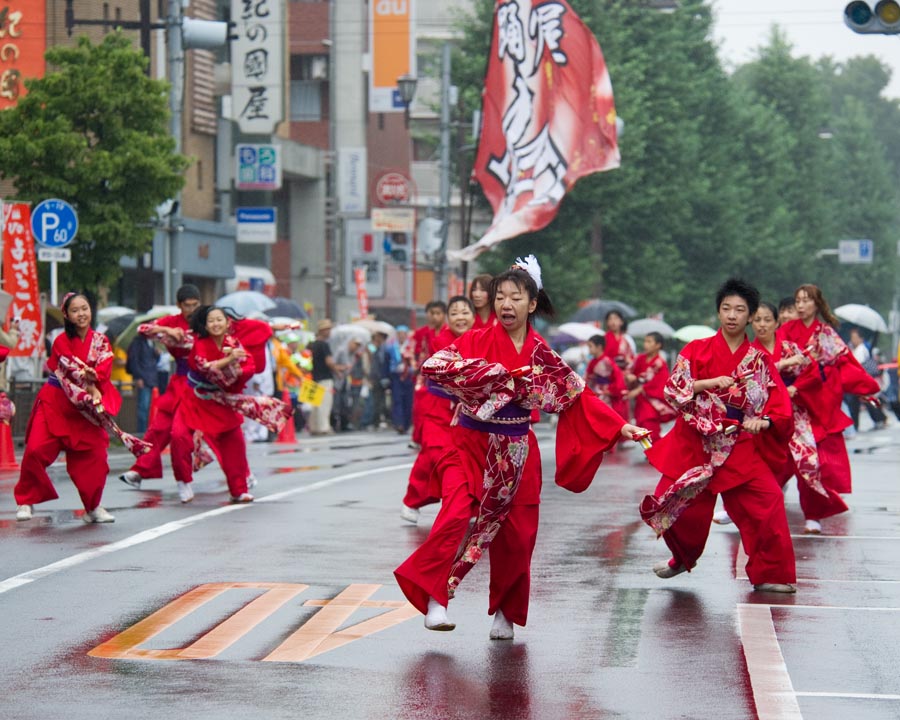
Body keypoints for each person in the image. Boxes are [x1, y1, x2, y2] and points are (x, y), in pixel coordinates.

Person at [395, 256, 644, 639]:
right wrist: (491, 375)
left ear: (532, 303)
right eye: (500, 297)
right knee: (455, 516)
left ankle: (506, 613)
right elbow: (435, 365)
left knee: (518, 536)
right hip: (469, 443)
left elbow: (576, 394)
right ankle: (435, 598)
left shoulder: (542, 353)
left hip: (516, 450)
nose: (505, 304)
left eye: (515, 297)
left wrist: (621, 425)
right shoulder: (476, 340)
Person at [639, 278, 797, 593]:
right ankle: (681, 558)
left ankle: (771, 573)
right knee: (680, 508)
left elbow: (777, 404)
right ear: (718, 312)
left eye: (740, 310)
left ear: (750, 316)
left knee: (768, 503)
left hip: (738, 444)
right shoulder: (696, 350)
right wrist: (706, 383)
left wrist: (763, 422)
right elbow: (673, 389)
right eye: (726, 308)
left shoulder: (760, 361)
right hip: (695, 443)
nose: (732, 315)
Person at [15, 292, 151, 523]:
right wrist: (89, 383)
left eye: (84, 308)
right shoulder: (60, 341)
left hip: (85, 411)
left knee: (96, 458)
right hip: (56, 402)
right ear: (66, 315)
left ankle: (93, 507)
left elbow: (104, 368)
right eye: (75, 310)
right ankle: (26, 500)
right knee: (36, 450)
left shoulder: (101, 341)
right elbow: (69, 369)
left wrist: (94, 383)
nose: (81, 314)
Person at [778, 284, 880, 534]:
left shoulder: (825, 334)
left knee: (812, 464)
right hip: (786, 401)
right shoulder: (784, 330)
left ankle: (813, 515)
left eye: (806, 301)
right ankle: (742, 505)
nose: (801, 306)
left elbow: (846, 364)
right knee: (777, 460)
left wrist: (864, 388)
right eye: (797, 301)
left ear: (816, 304)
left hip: (814, 402)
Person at [169, 306, 292, 503]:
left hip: (222, 401)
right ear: (205, 325)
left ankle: (238, 489)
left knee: (234, 443)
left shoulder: (235, 344)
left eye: (220, 320)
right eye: (211, 321)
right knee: (179, 437)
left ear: (228, 323)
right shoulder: (200, 343)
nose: (216, 324)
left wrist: (237, 366)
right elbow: (204, 366)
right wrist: (230, 360)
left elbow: (249, 366)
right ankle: (183, 480)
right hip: (195, 399)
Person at [400, 295, 476, 524]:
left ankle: (466, 505)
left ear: (473, 316)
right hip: (439, 406)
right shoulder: (440, 340)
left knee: (466, 461)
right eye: (454, 313)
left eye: (465, 312)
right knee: (432, 455)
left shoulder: (482, 338)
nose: (460, 317)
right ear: (447, 318)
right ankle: (411, 501)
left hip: (468, 411)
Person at [118, 284, 201, 489]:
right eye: (187, 306)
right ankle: (140, 470)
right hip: (181, 381)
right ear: (179, 305)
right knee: (159, 428)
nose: (191, 310)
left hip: (206, 383)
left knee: (221, 434)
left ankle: (242, 476)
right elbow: (143, 329)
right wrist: (167, 329)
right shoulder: (172, 321)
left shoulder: (208, 319)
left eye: (195, 305)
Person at [409, 301, 448, 449]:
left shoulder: (448, 332)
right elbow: (412, 352)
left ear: (444, 315)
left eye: (438, 313)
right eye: (432, 313)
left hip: (443, 376)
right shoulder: (421, 333)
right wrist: (415, 367)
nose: (435, 317)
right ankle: (419, 437)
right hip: (424, 375)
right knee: (419, 407)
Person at [626, 331, 675, 442]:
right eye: (645, 341)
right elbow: (629, 370)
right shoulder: (639, 358)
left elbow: (660, 383)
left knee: (650, 426)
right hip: (640, 400)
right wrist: (630, 376)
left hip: (652, 401)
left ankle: (655, 452)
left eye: (649, 341)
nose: (645, 344)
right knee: (640, 426)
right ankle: (650, 452)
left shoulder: (659, 363)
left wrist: (640, 389)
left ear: (658, 345)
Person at [307, 319, 344, 435]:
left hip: (311, 377)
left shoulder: (311, 345)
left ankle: (313, 427)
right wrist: (337, 370)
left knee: (314, 405)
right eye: (328, 329)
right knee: (324, 404)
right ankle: (323, 427)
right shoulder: (324, 345)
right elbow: (329, 362)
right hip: (324, 377)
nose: (330, 332)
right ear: (322, 331)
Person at [845, 328, 887, 431]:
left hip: (860, 381)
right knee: (861, 402)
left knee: (860, 402)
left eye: (855, 337)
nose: (853, 340)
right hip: (858, 381)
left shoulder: (861, 349)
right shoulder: (857, 349)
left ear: (861, 338)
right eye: (852, 338)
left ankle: (880, 419)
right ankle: (879, 419)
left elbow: (857, 364)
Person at [584, 334, 628, 420]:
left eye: (590, 346)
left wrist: (609, 390)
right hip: (595, 394)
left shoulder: (608, 361)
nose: (589, 349)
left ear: (599, 347)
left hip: (607, 396)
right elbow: (588, 378)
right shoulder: (592, 362)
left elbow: (618, 380)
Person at [126, 335, 160, 435]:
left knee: (149, 407)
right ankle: (141, 433)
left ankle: (148, 431)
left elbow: (152, 361)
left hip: (151, 378)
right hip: (143, 378)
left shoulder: (152, 342)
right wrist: (137, 377)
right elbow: (134, 360)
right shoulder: (137, 342)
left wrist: (156, 354)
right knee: (143, 407)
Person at [387, 325, 414, 434]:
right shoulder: (390, 348)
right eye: (399, 334)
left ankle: (407, 423)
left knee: (408, 400)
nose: (401, 336)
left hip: (409, 376)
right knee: (397, 400)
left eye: (403, 334)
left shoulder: (411, 346)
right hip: (396, 376)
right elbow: (386, 362)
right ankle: (399, 423)